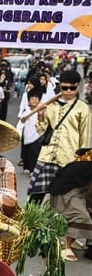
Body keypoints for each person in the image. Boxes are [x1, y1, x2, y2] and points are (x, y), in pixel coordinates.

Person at [27, 70, 90, 205]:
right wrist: (41, 115)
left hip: (69, 159)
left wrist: (81, 162)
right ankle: (27, 224)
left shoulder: (83, 108)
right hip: (47, 156)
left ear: (77, 86)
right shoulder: (50, 105)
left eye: (72, 88)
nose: (68, 91)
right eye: (65, 87)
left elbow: (85, 136)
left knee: (62, 198)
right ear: (60, 86)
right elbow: (40, 130)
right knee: (35, 196)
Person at [49, 148, 92, 262]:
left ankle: (72, 239)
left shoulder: (78, 164)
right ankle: (66, 246)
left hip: (63, 192)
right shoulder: (86, 167)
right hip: (66, 194)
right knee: (82, 216)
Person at [17, 90, 44, 174]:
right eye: (32, 99)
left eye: (37, 99)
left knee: (34, 153)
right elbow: (21, 123)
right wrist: (18, 133)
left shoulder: (41, 112)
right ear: (29, 102)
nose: (35, 100)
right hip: (27, 135)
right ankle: (26, 167)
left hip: (37, 135)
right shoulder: (26, 111)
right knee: (26, 152)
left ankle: (33, 170)